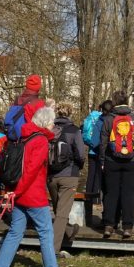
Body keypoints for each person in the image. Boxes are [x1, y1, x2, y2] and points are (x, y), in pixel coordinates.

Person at [0, 107, 70, 267]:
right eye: (52, 122)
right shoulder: (41, 140)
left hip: (19, 193)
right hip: (32, 194)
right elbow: (31, 170)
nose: (53, 125)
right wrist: (19, 191)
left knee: (15, 231)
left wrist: (14, 192)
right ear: (46, 122)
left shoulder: (24, 137)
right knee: (46, 232)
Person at [96, 91, 134, 239]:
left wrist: (103, 160)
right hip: (131, 160)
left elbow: (103, 142)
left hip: (112, 161)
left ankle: (109, 225)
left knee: (111, 193)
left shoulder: (109, 119)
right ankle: (127, 227)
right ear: (127, 101)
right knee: (128, 194)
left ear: (114, 102)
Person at [48, 101, 85, 257]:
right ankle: (52, 251)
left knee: (59, 210)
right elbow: (81, 155)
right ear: (70, 113)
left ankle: (70, 230)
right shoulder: (74, 131)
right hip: (69, 175)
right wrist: (78, 167)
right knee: (62, 213)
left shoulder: (49, 130)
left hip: (50, 176)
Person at [80, 100, 110, 228]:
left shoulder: (90, 117)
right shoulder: (102, 118)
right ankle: (97, 200)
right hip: (101, 150)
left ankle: (88, 198)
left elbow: (84, 132)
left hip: (91, 149)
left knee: (90, 175)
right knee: (99, 175)